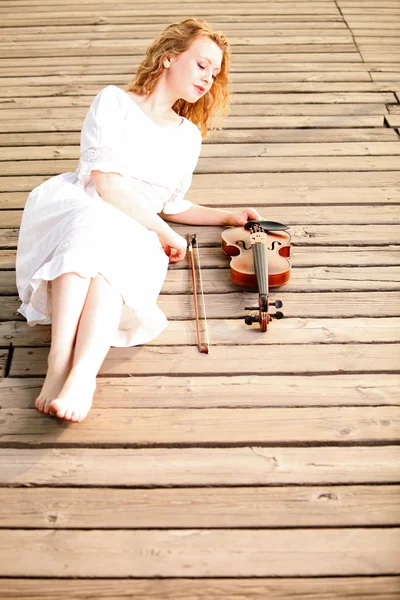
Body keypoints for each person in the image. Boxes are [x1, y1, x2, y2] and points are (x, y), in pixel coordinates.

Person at [16, 18, 262, 423]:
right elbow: (107, 184)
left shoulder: (188, 135)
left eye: (214, 73)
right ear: (169, 57)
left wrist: (226, 215)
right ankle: (58, 362)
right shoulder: (114, 101)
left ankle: (83, 375)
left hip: (137, 225)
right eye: (202, 65)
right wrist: (164, 232)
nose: (208, 78)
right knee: (93, 227)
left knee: (116, 262)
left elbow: (169, 204)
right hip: (89, 203)